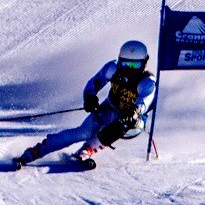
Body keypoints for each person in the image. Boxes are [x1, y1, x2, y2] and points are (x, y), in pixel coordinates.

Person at [13, 40, 157, 170]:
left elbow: (143, 103)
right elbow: (93, 84)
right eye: (126, 64)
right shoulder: (112, 69)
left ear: (144, 64)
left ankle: (89, 149)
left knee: (126, 123)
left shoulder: (147, 82)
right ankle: (35, 152)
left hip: (133, 121)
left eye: (135, 65)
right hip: (110, 108)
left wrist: (133, 112)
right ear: (120, 61)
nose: (129, 70)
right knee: (83, 132)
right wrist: (90, 98)